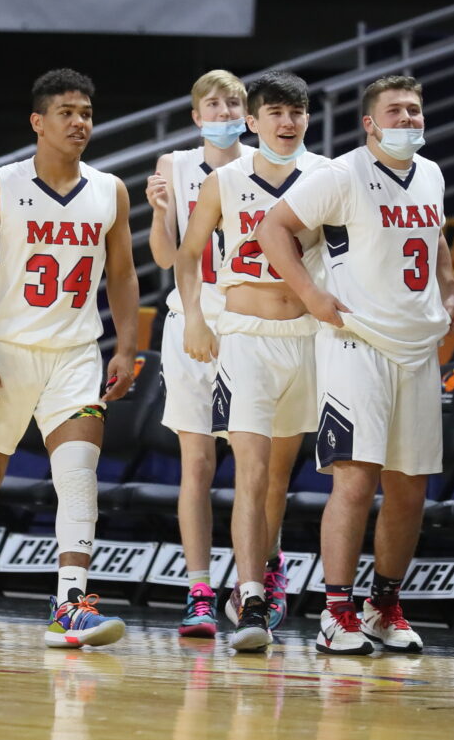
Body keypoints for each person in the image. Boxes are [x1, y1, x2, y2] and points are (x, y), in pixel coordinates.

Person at [259, 75, 454, 657]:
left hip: (417, 349)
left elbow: (436, 239)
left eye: (415, 111)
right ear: (369, 123)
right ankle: (336, 610)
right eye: (395, 111)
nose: (408, 120)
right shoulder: (340, 174)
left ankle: (383, 605)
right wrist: (312, 295)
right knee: (354, 479)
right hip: (355, 341)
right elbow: (271, 228)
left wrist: (448, 293)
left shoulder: (433, 173)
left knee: (410, 488)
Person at [0, 69, 138, 648]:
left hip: (76, 354)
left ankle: (70, 603)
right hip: (3, 354)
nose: (79, 122)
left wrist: (126, 346)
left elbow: (124, 274)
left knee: (78, 476)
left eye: (86, 112)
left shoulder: (110, 189)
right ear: (38, 122)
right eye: (67, 112)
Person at [179, 71, 327, 652]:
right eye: (276, 113)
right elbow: (189, 255)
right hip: (245, 335)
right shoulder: (225, 180)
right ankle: (251, 598)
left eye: (297, 113)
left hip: (306, 335)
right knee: (251, 470)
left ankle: (262, 571)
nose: (287, 123)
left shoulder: (325, 176)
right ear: (254, 120)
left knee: (278, 482)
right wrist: (194, 315)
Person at [144, 69, 254, 638]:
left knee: (257, 468)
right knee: (198, 464)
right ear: (196, 115)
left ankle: (258, 582)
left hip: (252, 326)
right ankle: (199, 590)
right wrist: (160, 212)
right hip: (191, 323)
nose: (224, 111)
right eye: (214, 103)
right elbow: (165, 257)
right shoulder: (175, 166)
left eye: (234, 102)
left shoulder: (265, 164)